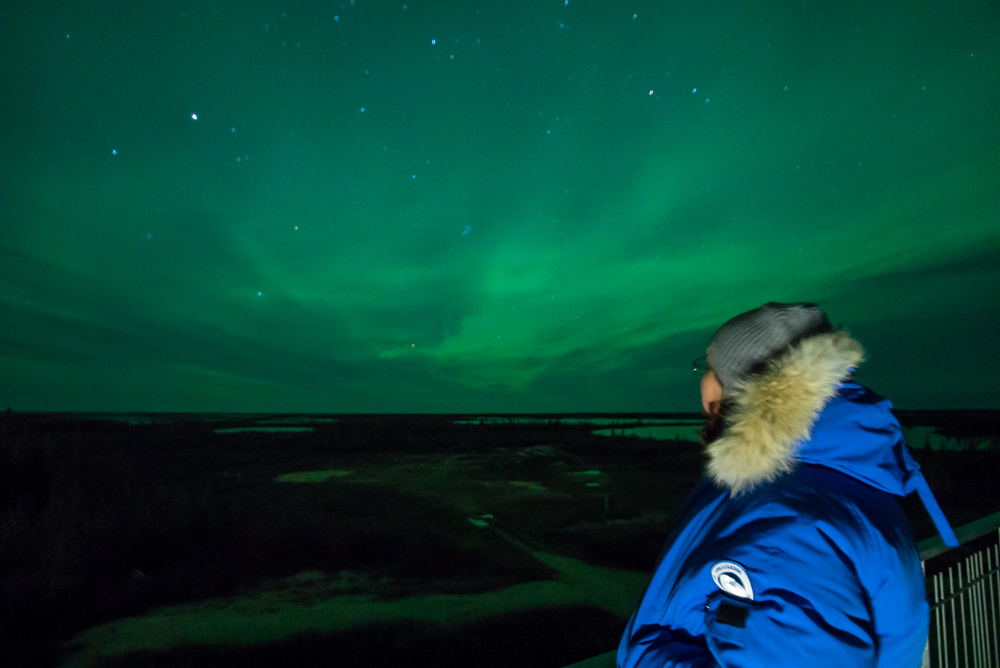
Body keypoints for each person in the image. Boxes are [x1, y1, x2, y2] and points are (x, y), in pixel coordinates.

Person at [617, 302, 958, 667]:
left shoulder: (785, 519)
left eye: (711, 368)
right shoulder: (825, 480)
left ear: (743, 385)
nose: (702, 381)